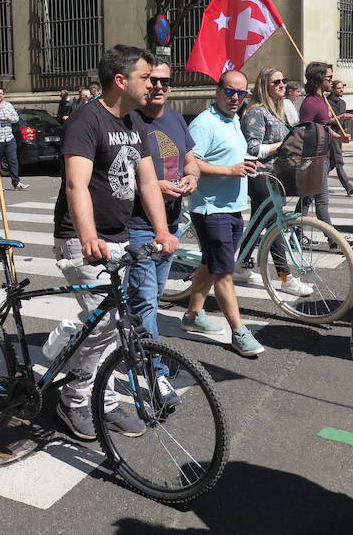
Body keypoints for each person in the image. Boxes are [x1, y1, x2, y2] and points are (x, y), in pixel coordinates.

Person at [53, 45, 178, 441]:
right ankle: (74, 398)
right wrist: (88, 236)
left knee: (115, 324)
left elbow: (146, 181)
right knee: (104, 322)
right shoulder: (86, 120)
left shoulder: (134, 124)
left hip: (119, 237)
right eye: (146, 77)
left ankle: (100, 398)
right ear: (121, 81)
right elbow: (76, 184)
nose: (153, 84)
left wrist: (162, 230)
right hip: (81, 238)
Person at [126, 57, 199, 402]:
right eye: (152, 80)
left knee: (150, 299)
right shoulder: (128, 120)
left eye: (165, 82)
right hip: (138, 225)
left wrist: (191, 177)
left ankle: (125, 343)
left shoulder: (174, 119)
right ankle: (157, 376)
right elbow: (122, 175)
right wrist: (156, 185)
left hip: (170, 223)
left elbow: (189, 158)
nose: (158, 86)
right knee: (144, 301)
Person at [180, 70, 265, 356]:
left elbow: (231, 156)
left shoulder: (234, 119)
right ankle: (239, 332)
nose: (236, 98)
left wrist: (248, 165)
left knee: (211, 262)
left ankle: (192, 315)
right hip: (210, 208)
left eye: (242, 93)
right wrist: (230, 170)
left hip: (232, 205)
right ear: (218, 91)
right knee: (224, 273)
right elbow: (190, 164)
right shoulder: (204, 124)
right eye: (230, 91)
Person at [240, 67, 313, 297]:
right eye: (276, 82)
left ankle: (240, 266)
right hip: (259, 174)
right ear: (264, 86)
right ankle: (285, 277)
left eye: (284, 80)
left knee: (258, 221)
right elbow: (251, 148)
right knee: (274, 225)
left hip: (276, 175)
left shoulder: (279, 111)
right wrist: (280, 147)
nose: (282, 84)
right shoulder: (256, 112)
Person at [296, 62, 353, 247]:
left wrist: (340, 136)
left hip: (323, 156)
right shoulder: (310, 103)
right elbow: (307, 131)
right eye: (328, 78)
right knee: (321, 200)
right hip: (314, 159)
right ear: (318, 79)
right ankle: (334, 240)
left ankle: (295, 233)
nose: (331, 80)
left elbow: (324, 127)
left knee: (307, 199)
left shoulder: (323, 100)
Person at [0, 87, 29, 191]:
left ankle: (16, 183)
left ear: (4, 95)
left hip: (9, 138)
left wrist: (9, 117)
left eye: (0, 94)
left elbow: (16, 118)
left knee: (13, 161)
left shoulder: (8, 105)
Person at [327, 80, 353, 196]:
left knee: (331, 163)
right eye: (339, 88)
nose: (341, 90)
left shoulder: (343, 103)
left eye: (342, 88)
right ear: (333, 89)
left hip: (339, 135)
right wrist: (341, 117)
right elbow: (326, 121)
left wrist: (344, 127)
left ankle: (321, 185)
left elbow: (341, 121)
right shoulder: (327, 102)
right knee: (338, 160)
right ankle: (348, 186)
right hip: (331, 134)